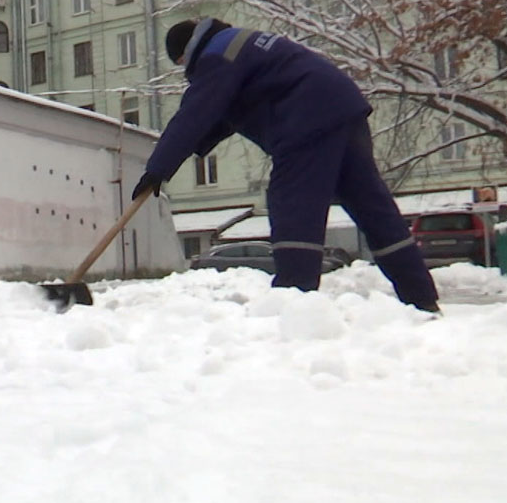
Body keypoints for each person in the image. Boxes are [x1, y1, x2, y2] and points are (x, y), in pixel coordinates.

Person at [132, 17, 441, 313]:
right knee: (372, 207)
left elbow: (195, 112)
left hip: (305, 117)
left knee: (291, 201)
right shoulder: (239, 43)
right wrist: (189, 149)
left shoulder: (215, 56)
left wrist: (157, 169)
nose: (186, 71)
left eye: (182, 64)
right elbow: (221, 114)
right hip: (342, 107)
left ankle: (295, 299)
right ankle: (421, 298)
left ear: (186, 52)